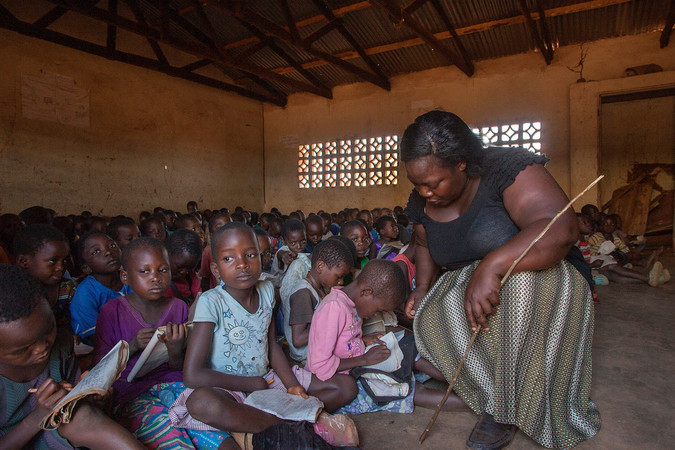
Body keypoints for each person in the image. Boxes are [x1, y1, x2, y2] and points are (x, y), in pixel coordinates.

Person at [401, 111, 600, 449]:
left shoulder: (506, 168)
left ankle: (505, 409)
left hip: (542, 278)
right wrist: (421, 288)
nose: (425, 192)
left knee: (519, 287)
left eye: (433, 183)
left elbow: (559, 228)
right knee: (431, 311)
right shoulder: (422, 201)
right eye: (417, 184)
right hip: (473, 283)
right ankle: (492, 388)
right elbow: (423, 243)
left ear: (461, 163)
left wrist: (492, 265)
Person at [168, 223, 358, 447]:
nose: (242, 264)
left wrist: (291, 385)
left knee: (346, 387)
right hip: (227, 388)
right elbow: (192, 375)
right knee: (200, 402)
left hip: (266, 380)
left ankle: (265, 425)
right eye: (229, 258)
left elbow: (271, 345)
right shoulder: (211, 302)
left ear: (261, 257)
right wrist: (250, 383)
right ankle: (290, 425)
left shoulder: (267, 290)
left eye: (250, 254)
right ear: (216, 269)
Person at [93, 238, 227, 448]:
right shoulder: (112, 311)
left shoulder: (178, 307)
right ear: (125, 276)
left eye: (162, 270)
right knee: (171, 438)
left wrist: (175, 349)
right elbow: (101, 369)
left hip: (177, 385)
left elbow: (179, 367)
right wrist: (133, 345)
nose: (155, 278)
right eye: (144, 272)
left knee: (214, 435)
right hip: (133, 394)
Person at [0, 265, 144, 450]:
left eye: (47, 331)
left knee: (82, 414)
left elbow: (77, 404)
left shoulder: (60, 345)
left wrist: (95, 399)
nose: (42, 348)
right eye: (23, 349)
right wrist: (38, 416)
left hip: (58, 432)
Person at [284, 238, 353, 363]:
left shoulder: (320, 288)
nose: (341, 281)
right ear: (321, 266)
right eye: (339, 276)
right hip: (306, 357)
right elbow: (298, 339)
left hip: (317, 349)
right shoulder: (303, 293)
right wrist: (332, 326)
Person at [70, 231, 130, 345]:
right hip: (107, 350)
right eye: (96, 251)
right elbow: (98, 337)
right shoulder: (86, 293)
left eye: (112, 245)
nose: (108, 252)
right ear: (86, 268)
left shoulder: (132, 278)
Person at [13, 224, 75, 328]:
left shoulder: (68, 288)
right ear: (23, 262)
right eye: (53, 261)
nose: (60, 267)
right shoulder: (12, 291)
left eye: (64, 260)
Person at [587, 215, 668, 286]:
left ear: (615, 227)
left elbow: (625, 249)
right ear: (601, 226)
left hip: (605, 263)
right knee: (614, 268)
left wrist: (626, 255)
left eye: (612, 224)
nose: (609, 226)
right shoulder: (596, 236)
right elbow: (587, 248)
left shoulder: (615, 239)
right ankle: (650, 278)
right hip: (596, 262)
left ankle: (651, 280)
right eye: (606, 224)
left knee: (616, 277)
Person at [164, 229, 202, 306]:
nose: (184, 272)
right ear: (167, 254)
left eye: (190, 267)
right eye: (180, 266)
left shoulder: (190, 277)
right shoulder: (159, 283)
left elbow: (199, 298)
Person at [198, 211, 231, 292]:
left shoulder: (239, 248)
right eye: (220, 229)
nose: (225, 231)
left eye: (229, 227)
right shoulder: (208, 251)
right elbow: (205, 278)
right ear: (212, 234)